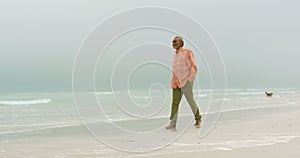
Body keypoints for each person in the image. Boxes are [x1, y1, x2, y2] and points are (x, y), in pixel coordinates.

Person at [165, 36, 202, 130]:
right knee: (175, 103)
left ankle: (198, 119)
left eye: (175, 41)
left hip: (186, 81)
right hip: (176, 83)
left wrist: (191, 78)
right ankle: (172, 123)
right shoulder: (175, 56)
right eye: (172, 42)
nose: (174, 43)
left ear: (181, 43)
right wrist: (173, 82)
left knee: (190, 100)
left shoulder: (187, 52)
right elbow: (175, 70)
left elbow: (193, 65)